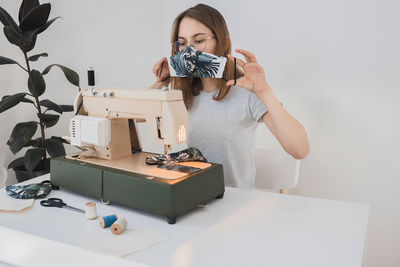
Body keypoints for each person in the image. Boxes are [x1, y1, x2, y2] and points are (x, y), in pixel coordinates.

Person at [150, 4, 309, 189]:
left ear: (222, 42)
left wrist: (264, 91)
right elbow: (134, 119)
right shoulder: (182, 95)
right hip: (196, 197)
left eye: (199, 40)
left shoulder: (246, 92)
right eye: (183, 43)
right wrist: (161, 82)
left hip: (237, 203)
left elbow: (300, 149)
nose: (189, 52)